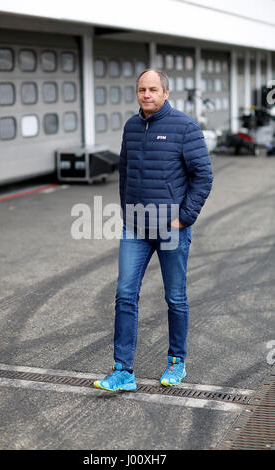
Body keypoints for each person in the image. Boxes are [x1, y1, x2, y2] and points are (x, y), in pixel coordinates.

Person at [94, 69, 213, 391]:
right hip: (135, 227)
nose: (147, 95)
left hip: (172, 228)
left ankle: (177, 363)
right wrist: (126, 211)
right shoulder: (132, 127)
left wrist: (184, 218)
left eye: (153, 89)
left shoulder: (185, 127)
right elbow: (125, 172)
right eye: (142, 89)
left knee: (175, 298)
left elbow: (203, 176)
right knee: (125, 294)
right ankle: (123, 371)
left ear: (166, 93)